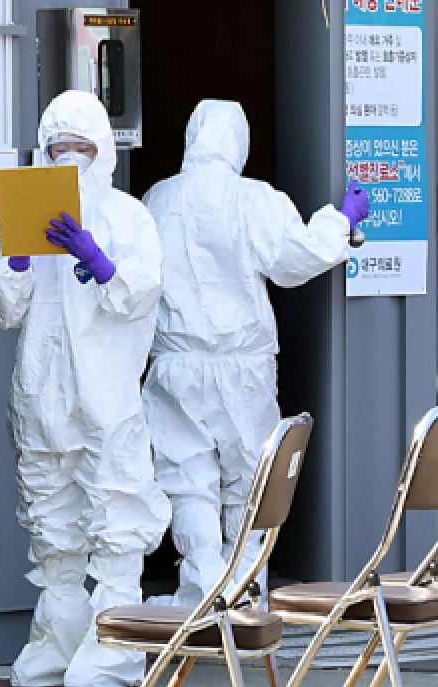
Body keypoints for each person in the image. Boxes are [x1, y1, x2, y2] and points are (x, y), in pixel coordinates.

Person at [141, 99, 370, 609]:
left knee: (186, 478)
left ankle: (203, 593)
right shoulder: (254, 198)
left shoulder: (158, 198)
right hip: (242, 366)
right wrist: (341, 221)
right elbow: (296, 258)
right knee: (250, 480)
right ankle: (242, 593)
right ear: (239, 142)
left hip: (175, 364)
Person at [0, 90, 170, 687]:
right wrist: (14, 261)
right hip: (42, 396)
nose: (67, 156)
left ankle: (116, 645)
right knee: (50, 520)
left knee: (115, 513)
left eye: (80, 147)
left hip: (106, 395)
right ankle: (58, 636)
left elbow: (142, 292)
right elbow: (8, 311)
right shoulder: (26, 213)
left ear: (103, 150)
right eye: (56, 146)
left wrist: (98, 259)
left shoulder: (127, 216)